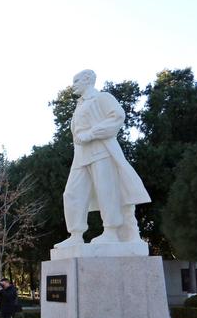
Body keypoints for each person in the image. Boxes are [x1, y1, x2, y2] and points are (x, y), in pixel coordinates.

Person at [54, 69, 151, 249]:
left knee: (107, 192)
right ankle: (75, 235)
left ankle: (111, 232)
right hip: (81, 155)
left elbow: (118, 116)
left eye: (76, 81)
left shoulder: (102, 98)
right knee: (72, 193)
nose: (73, 85)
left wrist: (91, 134)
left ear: (88, 80)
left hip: (102, 152)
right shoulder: (79, 105)